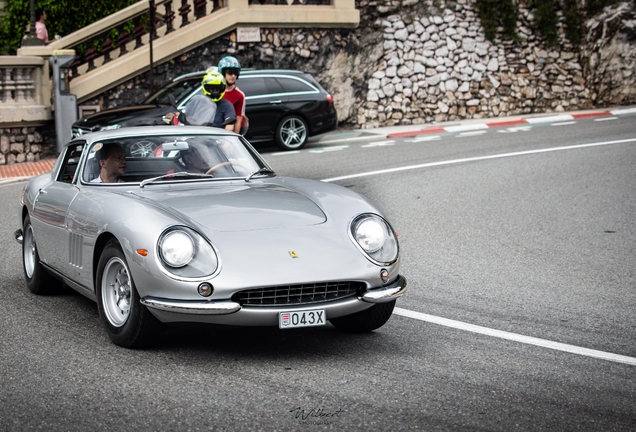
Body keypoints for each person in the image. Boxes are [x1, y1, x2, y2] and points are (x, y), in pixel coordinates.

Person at [166, 71, 236, 130]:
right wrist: (174, 115)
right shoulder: (197, 101)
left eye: (218, 89)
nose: (215, 92)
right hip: (194, 133)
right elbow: (186, 115)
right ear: (204, 87)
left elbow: (229, 124)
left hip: (215, 139)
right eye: (212, 88)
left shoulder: (227, 105)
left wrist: (223, 140)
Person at [218, 56, 248, 135]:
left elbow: (238, 120)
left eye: (236, 72)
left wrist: (234, 138)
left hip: (228, 132)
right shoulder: (215, 91)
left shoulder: (239, 95)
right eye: (230, 72)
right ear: (222, 73)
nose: (233, 75)